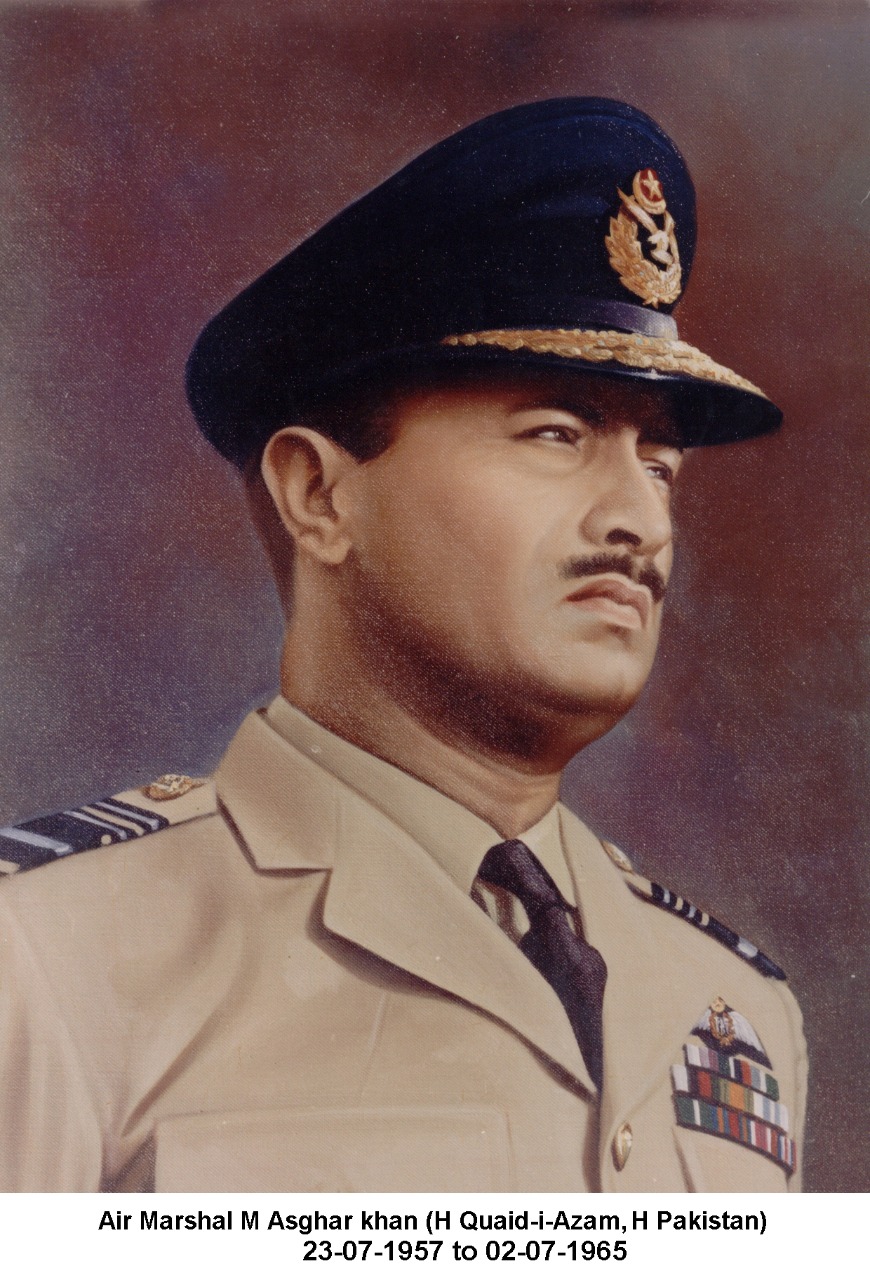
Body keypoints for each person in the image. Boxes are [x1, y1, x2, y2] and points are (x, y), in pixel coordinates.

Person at [0, 98, 806, 1193]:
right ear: (318, 493)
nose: (641, 521)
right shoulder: (50, 955)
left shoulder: (739, 1010)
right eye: (556, 433)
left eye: (658, 465)